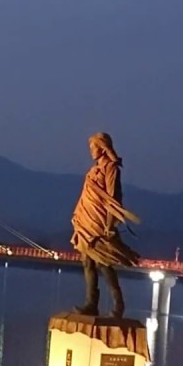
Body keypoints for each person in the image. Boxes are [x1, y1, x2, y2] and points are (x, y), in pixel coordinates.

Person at [70, 133, 141, 318]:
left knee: (104, 263)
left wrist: (110, 225)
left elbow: (112, 199)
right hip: (86, 221)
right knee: (87, 262)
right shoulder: (94, 170)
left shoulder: (111, 168)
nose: (91, 151)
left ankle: (118, 305)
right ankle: (91, 303)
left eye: (94, 147)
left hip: (99, 223)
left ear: (102, 147)